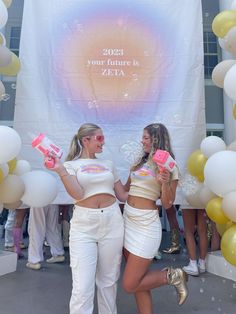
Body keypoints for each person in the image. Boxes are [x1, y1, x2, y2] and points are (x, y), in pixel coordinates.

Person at [44, 123, 127, 314]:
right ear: (85, 140)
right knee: (82, 286)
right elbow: (78, 193)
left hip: (112, 220)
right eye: (99, 138)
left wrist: (146, 182)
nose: (103, 142)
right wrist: (60, 170)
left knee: (109, 281)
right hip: (84, 224)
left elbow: (122, 195)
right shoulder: (71, 165)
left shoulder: (108, 164)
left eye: (103, 138)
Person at [122, 123, 188, 314]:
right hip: (128, 220)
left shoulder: (170, 166)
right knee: (138, 283)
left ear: (156, 139)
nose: (142, 141)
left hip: (145, 225)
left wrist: (165, 182)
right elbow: (127, 191)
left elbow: (167, 203)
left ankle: (173, 275)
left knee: (129, 283)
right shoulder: (139, 162)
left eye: (145, 137)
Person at [26, 204, 65, 270]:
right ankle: (58, 253)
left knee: (36, 227)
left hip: (38, 199)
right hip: (53, 198)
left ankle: (34, 260)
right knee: (52, 227)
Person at [181, 205, 208, 276]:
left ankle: (193, 264)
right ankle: (202, 263)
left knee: (189, 231)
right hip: (202, 198)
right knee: (203, 231)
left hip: (188, 198)